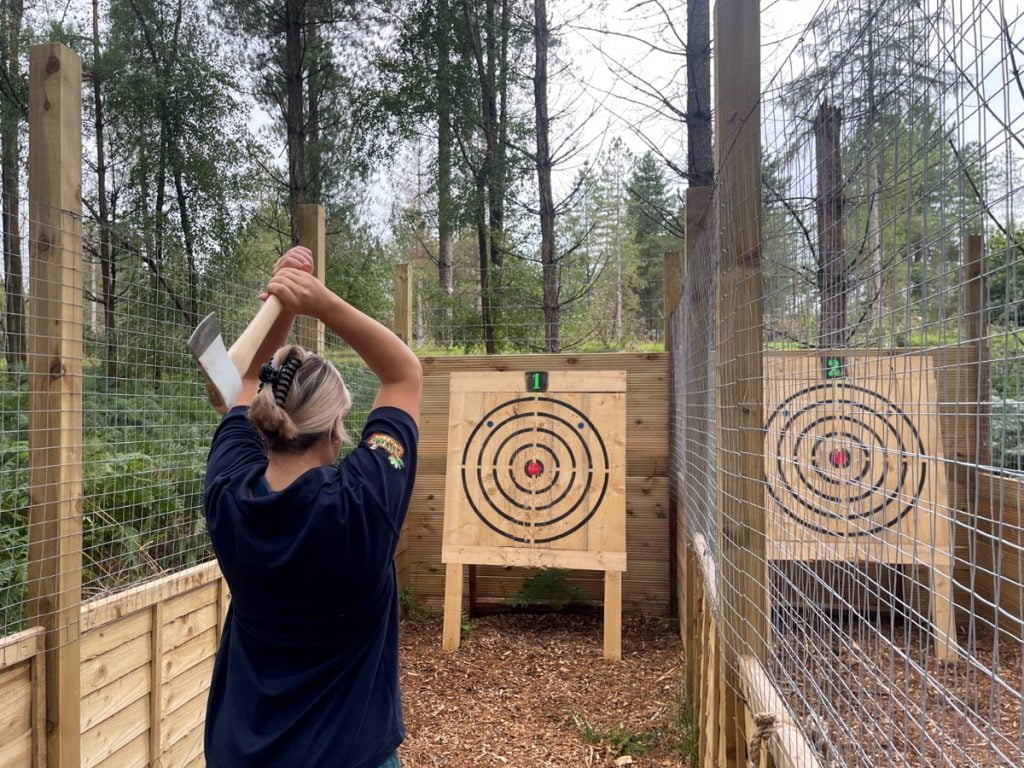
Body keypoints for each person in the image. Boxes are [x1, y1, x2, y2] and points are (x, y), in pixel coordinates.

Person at [202, 246, 422, 768]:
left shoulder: (229, 491)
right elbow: (403, 376)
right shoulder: (363, 505)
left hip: (242, 753)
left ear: (264, 420)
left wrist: (286, 303)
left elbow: (242, 384)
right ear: (339, 423)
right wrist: (315, 301)